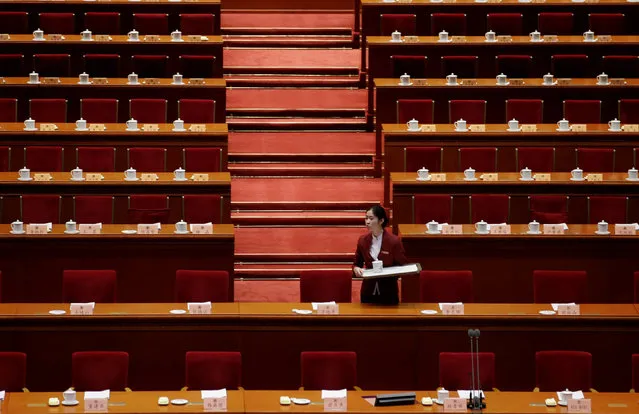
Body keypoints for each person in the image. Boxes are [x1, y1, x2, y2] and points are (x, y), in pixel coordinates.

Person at [353, 205, 408, 305]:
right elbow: (356, 264)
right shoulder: (362, 241)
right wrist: (356, 269)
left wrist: (388, 272)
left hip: (388, 291)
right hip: (368, 291)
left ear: (381, 221)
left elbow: (402, 265)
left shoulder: (394, 241)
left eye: (371, 218)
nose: (367, 222)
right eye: (366, 218)